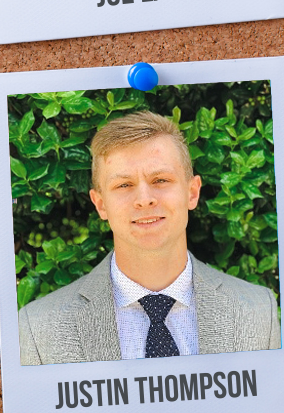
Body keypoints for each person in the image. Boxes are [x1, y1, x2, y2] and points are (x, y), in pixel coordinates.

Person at [18, 111, 280, 365]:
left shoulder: (257, 311)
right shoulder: (41, 329)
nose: (145, 199)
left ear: (192, 192)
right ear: (101, 205)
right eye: (124, 185)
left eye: (161, 180)